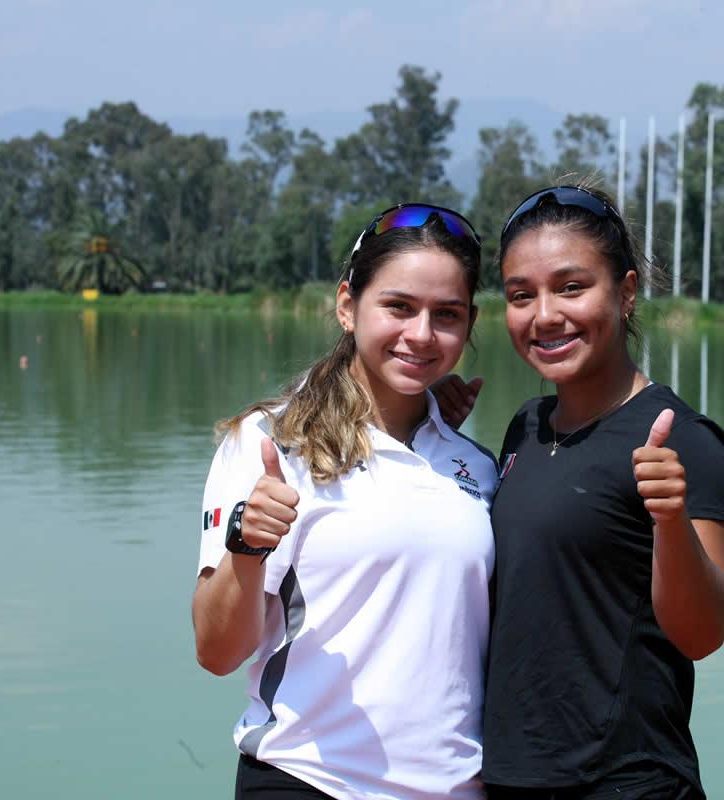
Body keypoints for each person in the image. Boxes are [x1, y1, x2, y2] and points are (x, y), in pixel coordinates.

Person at [437, 185, 724, 799]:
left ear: (626, 293)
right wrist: (429, 425)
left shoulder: (683, 441)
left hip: (624, 782)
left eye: (572, 288)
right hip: (508, 779)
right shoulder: (526, 424)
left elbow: (703, 632)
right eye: (522, 295)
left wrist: (671, 518)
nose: (545, 314)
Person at [192, 203, 500, 800]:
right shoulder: (271, 443)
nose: (421, 333)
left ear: (469, 324)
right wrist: (249, 547)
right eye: (399, 306)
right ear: (346, 305)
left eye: (447, 315)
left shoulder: (477, 467)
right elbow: (215, 652)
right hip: (312, 782)